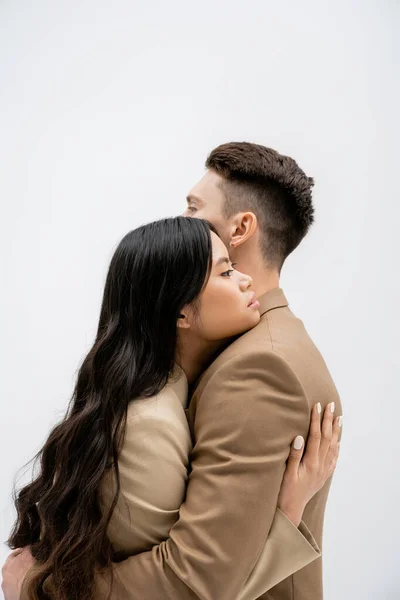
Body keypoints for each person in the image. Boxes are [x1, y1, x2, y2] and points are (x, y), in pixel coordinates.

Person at [3, 143, 342, 600]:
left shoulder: (261, 367)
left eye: (193, 207)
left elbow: (192, 579)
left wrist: (39, 589)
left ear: (241, 227)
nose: (180, 220)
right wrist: (286, 516)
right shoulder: (211, 362)